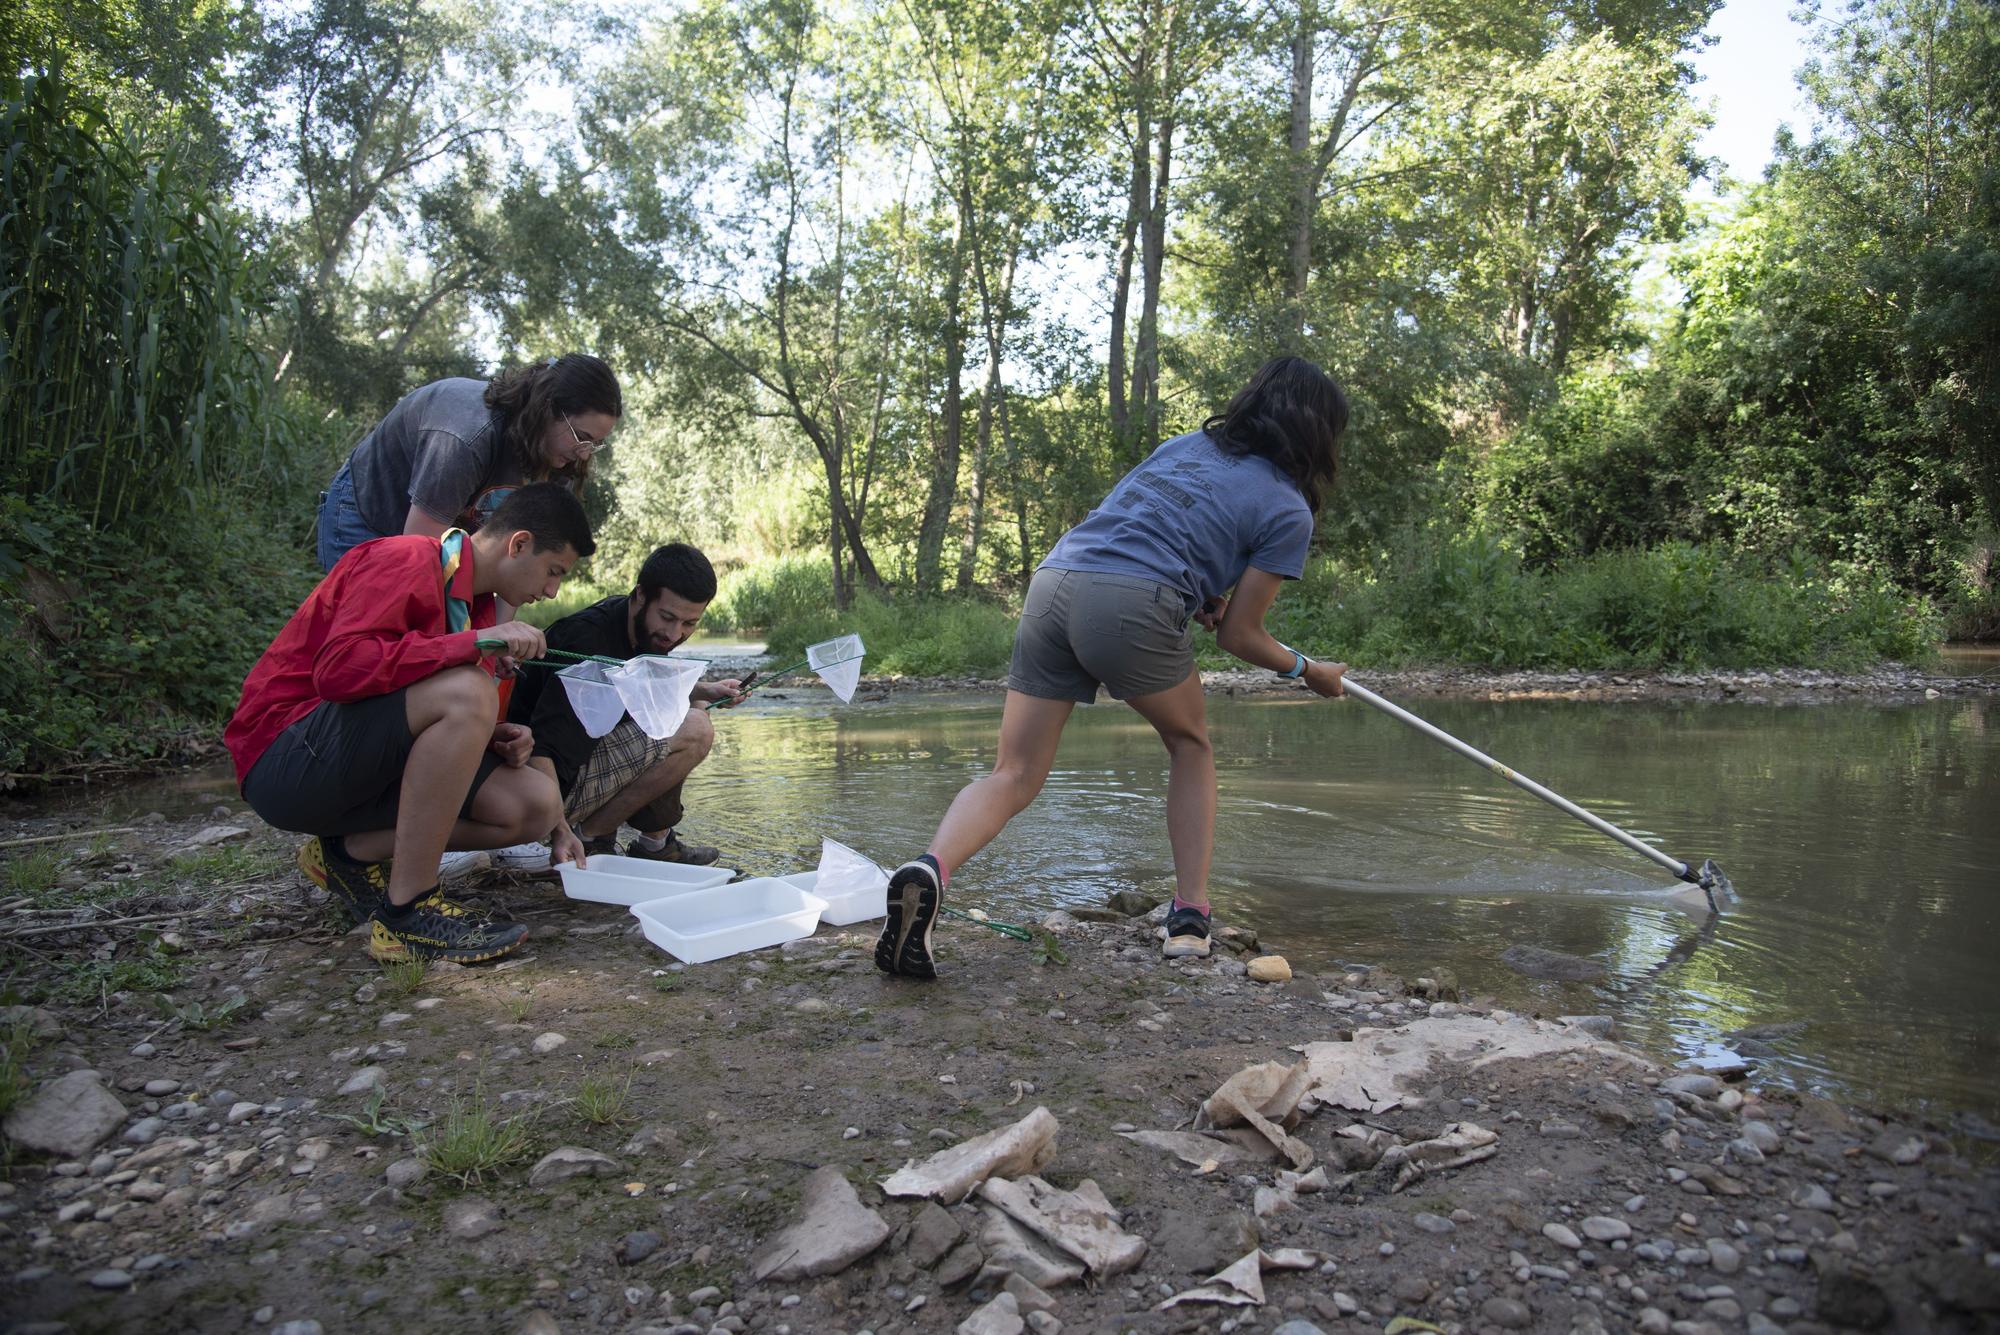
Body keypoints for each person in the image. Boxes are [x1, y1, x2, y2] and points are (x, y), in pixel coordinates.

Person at [875, 356, 1351, 980]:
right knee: (1190, 744)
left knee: (1014, 772)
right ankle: (1189, 918)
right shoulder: (1289, 509)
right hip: (1132, 603)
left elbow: (1142, 529)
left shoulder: (1185, 446)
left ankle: (929, 869)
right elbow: (1242, 636)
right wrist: (1306, 670)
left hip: (1055, 583)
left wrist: (1198, 591)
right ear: (1319, 433)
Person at [226, 482, 597, 963]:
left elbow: (420, 716)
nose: (551, 590)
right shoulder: (406, 559)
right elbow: (339, 671)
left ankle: (347, 853)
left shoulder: (476, 609)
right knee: (469, 692)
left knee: (534, 804)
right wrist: (474, 648)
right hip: (284, 761)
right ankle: (407, 913)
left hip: (352, 769)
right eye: (553, 572)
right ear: (518, 543)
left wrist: (494, 736)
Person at [481, 542, 744, 871]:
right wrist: (559, 831)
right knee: (695, 728)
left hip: (576, 775)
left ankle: (654, 843)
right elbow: (540, 750)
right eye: (668, 617)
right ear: (640, 596)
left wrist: (707, 689)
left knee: (694, 706)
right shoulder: (589, 642)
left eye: (689, 624)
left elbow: (644, 688)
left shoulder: (641, 629)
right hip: (540, 794)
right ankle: (589, 840)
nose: (675, 634)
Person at [315, 354, 620, 572]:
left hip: (436, 538)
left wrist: (498, 641)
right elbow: (417, 553)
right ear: (548, 407)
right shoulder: (466, 437)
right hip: (371, 518)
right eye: (582, 437)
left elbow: (516, 562)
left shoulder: (560, 456)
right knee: (367, 635)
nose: (585, 454)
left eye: (594, 444)